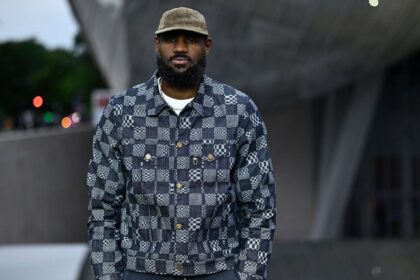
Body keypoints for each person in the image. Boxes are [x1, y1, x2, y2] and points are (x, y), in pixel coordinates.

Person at [87, 7, 276, 280]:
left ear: (206, 46)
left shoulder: (238, 111)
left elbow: (260, 207)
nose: (179, 47)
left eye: (190, 39)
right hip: (143, 271)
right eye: (170, 39)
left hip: (217, 271)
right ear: (157, 44)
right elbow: (102, 208)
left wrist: (248, 276)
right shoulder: (122, 112)